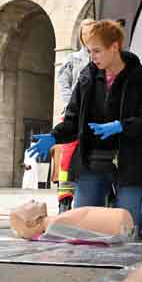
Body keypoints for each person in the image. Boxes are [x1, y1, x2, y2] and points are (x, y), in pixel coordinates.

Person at [28, 20, 142, 237]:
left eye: (97, 51)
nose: (93, 57)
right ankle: (119, 206)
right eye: (90, 51)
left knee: (125, 231)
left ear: (115, 47)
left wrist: (121, 126)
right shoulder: (87, 78)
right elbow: (72, 121)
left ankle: (140, 207)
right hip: (93, 161)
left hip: (129, 162)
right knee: (84, 230)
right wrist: (54, 137)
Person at [54, 19, 92, 212]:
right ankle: (65, 200)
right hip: (74, 115)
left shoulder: (103, 57)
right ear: (80, 36)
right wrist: (71, 107)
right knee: (68, 155)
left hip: (96, 116)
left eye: (91, 32)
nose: (88, 36)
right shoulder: (72, 58)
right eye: (84, 33)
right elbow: (63, 83)